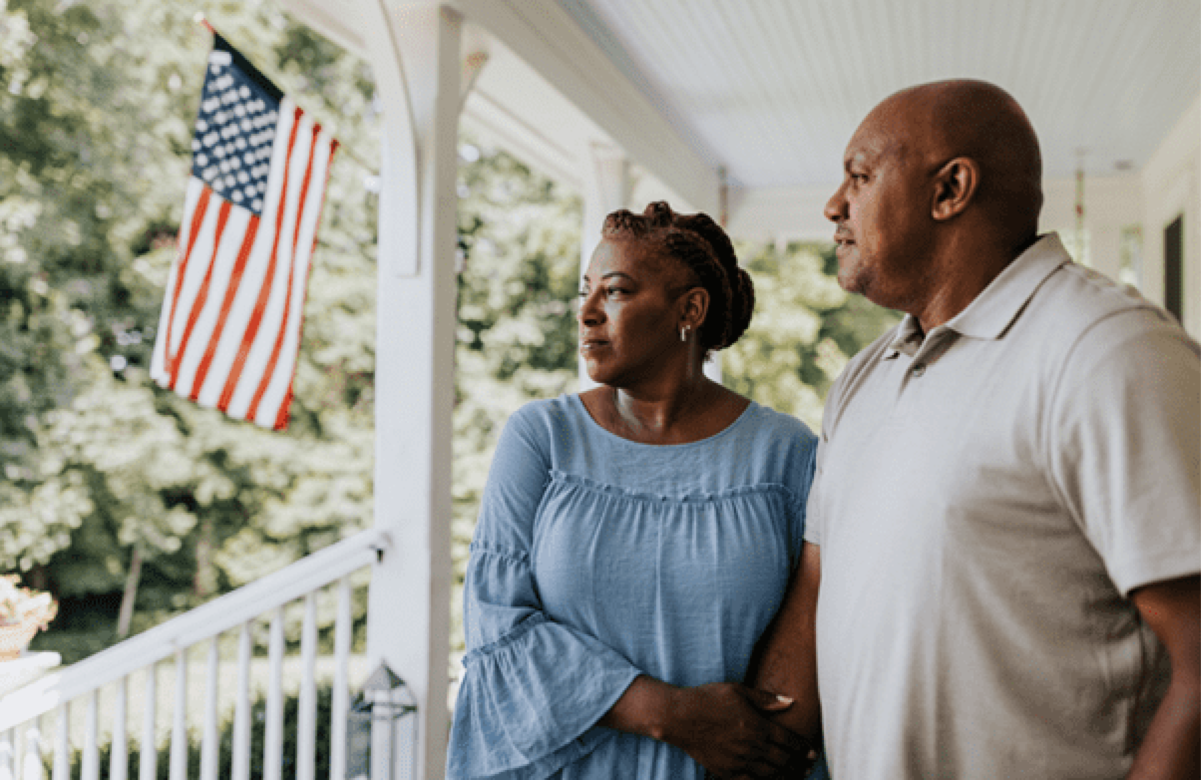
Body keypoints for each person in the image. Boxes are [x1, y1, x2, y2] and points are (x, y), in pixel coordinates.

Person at [751, 79, 1201, 779]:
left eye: (859, 177)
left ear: (949, 189)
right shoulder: (862, 379)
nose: (834, 205)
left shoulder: (1107, 351)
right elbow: (818, 585)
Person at [446, 201, 821, 778]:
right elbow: (496, 627)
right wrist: (674, 713)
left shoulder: (786, 454)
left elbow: (821, 624)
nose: (587, 313)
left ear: (688, 310)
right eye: (585, 292)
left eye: (615, 292)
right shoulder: (542, 439)